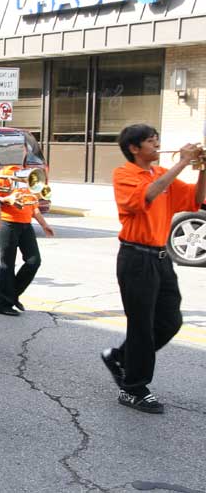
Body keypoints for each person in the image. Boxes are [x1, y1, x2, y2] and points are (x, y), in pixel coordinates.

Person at [101, 124, 206, 414]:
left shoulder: (161, 174)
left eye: (157, 139)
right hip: (136, 258)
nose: (157, 144)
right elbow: (145, 198)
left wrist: (201, 168)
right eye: (151, 141)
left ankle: (120, 357)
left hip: (161, 257)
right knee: (142, 327)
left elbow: (195, 201)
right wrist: (184, 162)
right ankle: (133, 389)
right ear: (135, 149)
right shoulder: (124, 174)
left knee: (170, 321)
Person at [0, 163, 54, 316]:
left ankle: (11, 296)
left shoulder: (29, 174)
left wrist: (44, 224)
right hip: (7, 222)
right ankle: (2, 304)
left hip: (26, 224)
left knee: (34, 261)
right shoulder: (6, 173)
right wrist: (8, 199)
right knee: (7, 265)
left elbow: (33, 205)